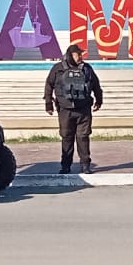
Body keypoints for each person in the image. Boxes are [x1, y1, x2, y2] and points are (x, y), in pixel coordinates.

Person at [44, 44, 103, 174]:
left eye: (81, 54)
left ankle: (85, 166)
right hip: (65, 110)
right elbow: (49, 85)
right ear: (70, 55)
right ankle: (65, 166)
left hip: (84, 109)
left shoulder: (87, 68)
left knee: (83, 137)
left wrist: (99, 100)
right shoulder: (58, 68)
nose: (81, 56)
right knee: (67, 138)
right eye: (78, 54)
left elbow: (96, 85)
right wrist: (48, 104)